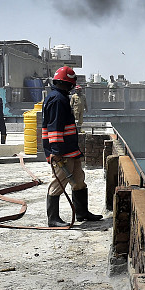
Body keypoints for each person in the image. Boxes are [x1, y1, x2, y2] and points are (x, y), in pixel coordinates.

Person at [41, 66, 102, 226]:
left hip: (71, 150)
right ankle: (53, 219)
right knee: (58, 183)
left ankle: (82, 213)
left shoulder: (60, 97)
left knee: (79, 180)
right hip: (62, 152)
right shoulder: (57, 100)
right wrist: (55, 151)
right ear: (68, 83)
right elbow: (54, 127)